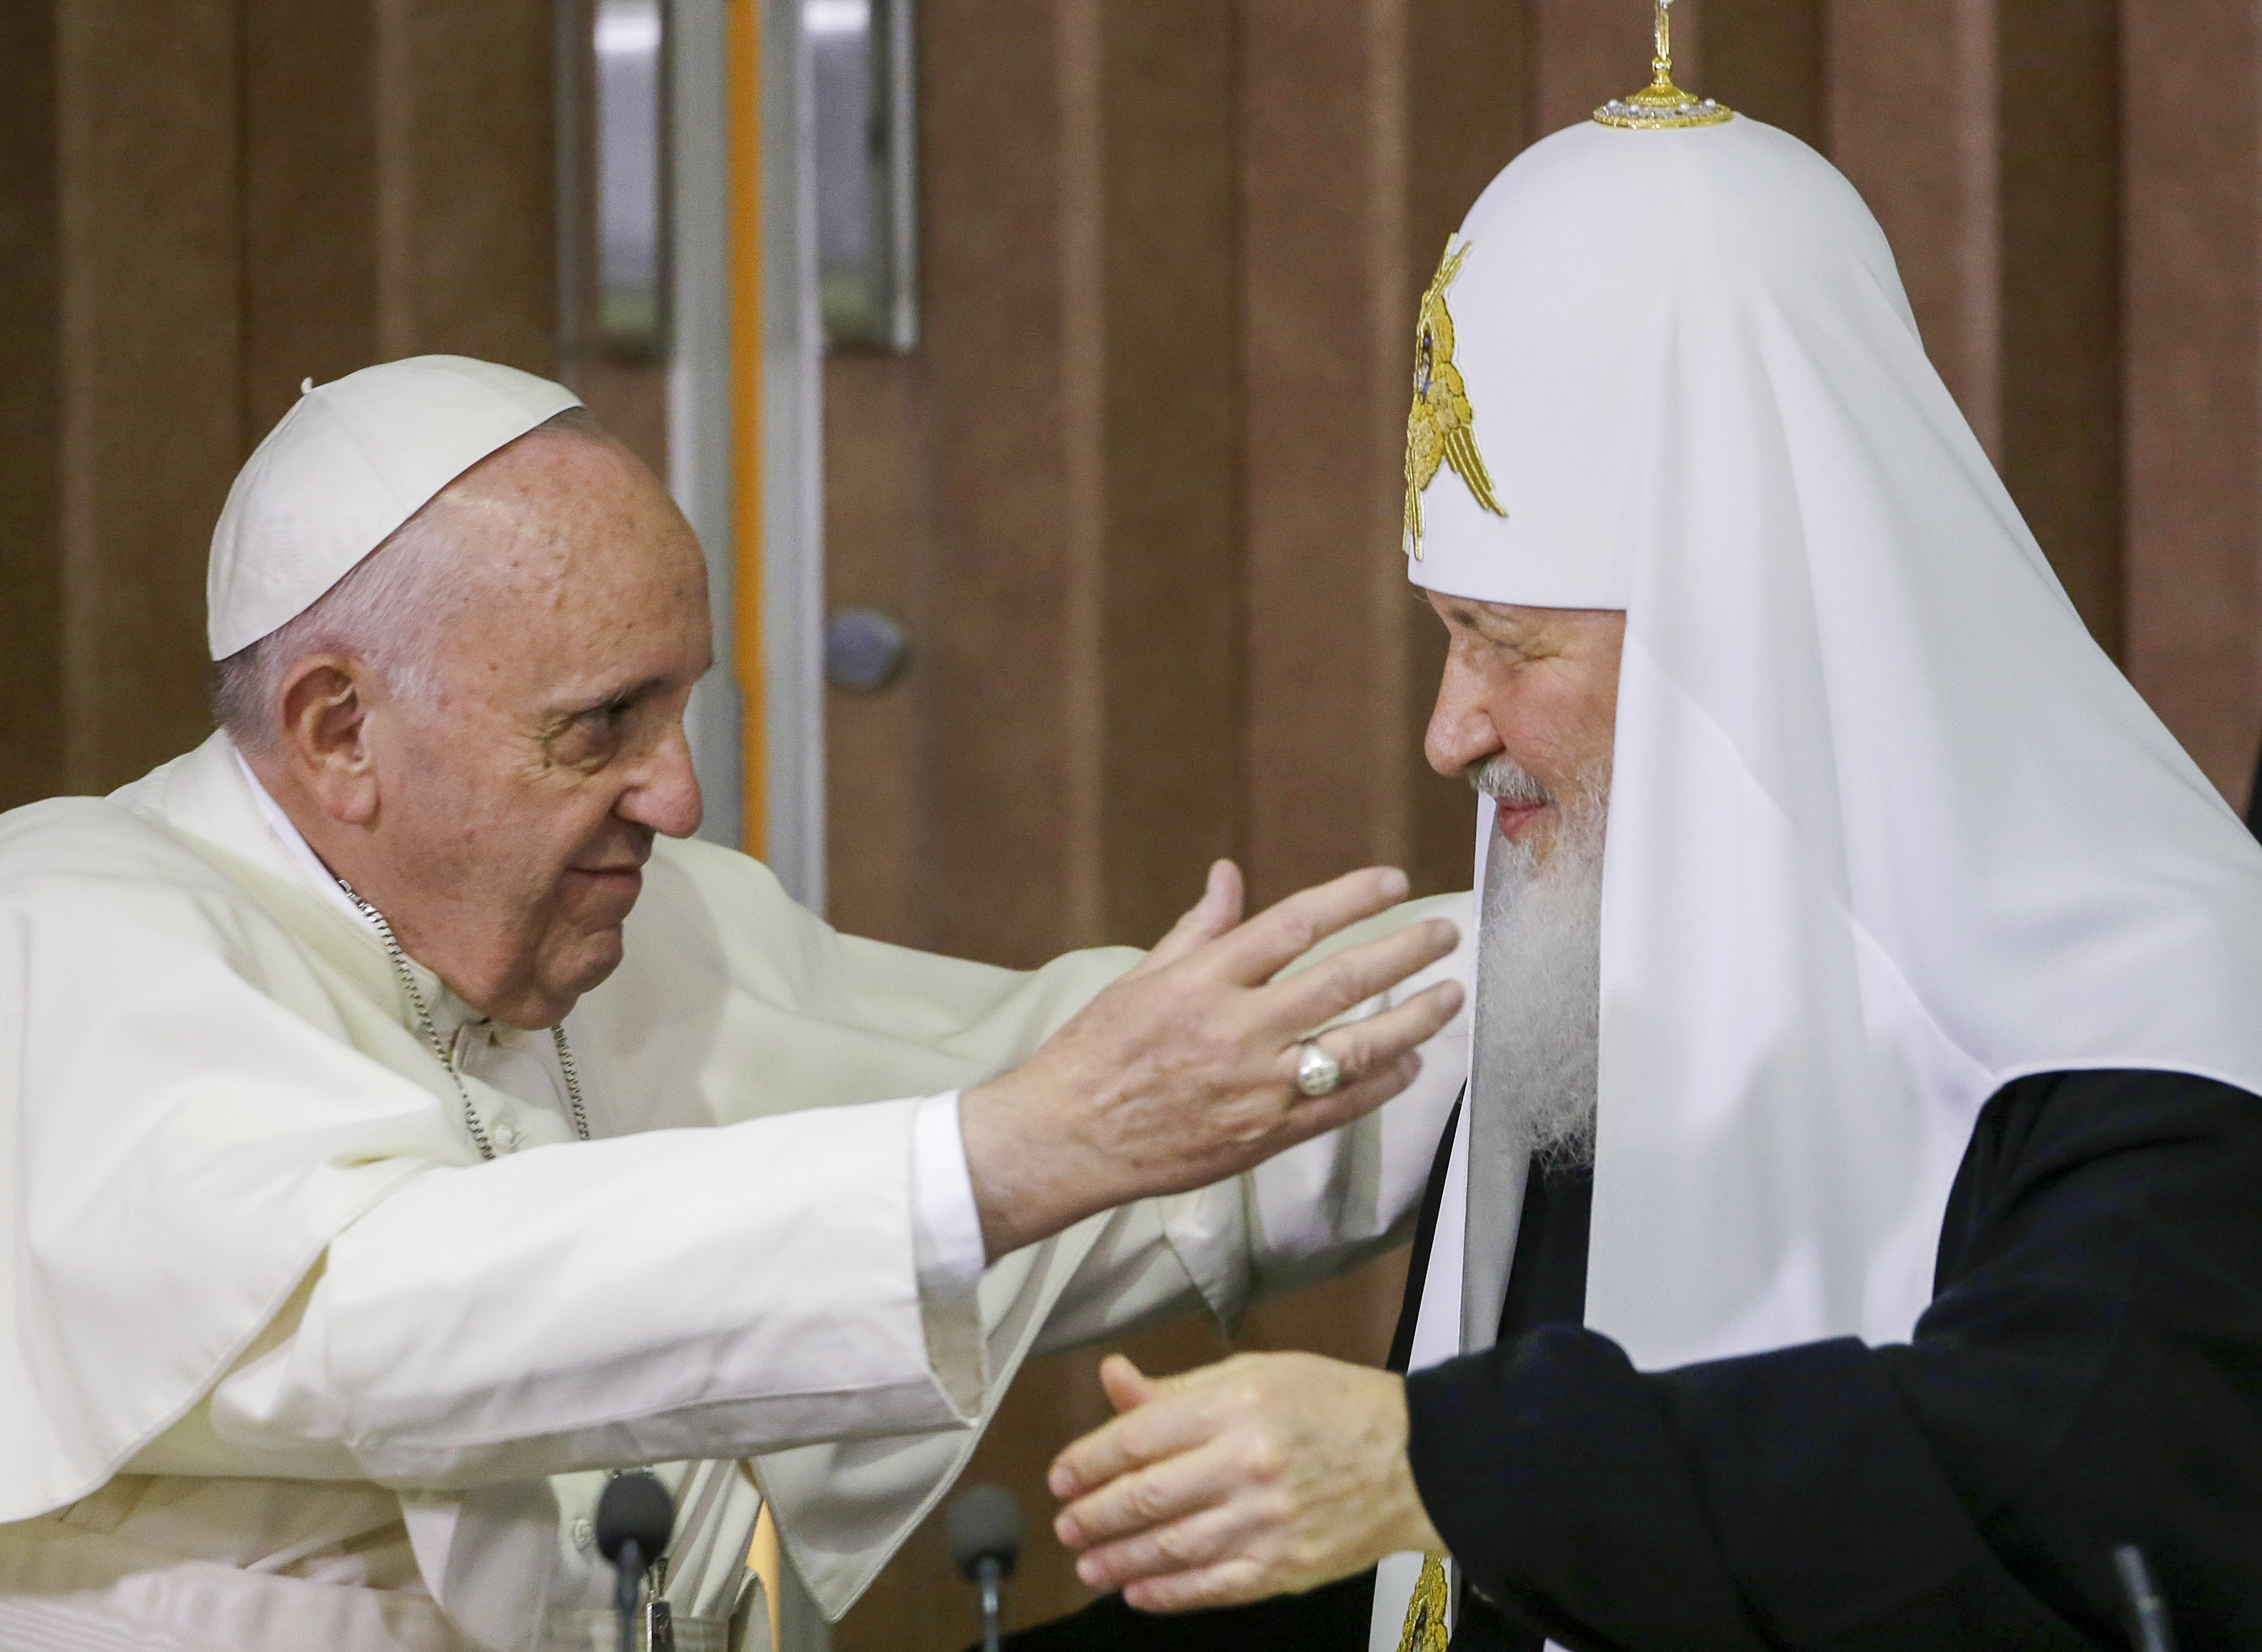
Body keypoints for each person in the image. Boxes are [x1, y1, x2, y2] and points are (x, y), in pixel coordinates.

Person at [1035, 71, 2262, 1652]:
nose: (1447, 733)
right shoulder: (1601, 979)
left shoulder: (2159, 1018)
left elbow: (2045, 1496)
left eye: (1503, 644)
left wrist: (1451, 1461)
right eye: (1444, 635)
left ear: (1735, 642)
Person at [0, 355, 1474, 1652]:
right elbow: (384, 1314)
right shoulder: (75, 920)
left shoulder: (652, 926)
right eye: (602, 726)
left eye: (683, 706)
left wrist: (1559, 964)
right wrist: (1016, 1151)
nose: (682, 797)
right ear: (340, 730)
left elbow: (1082, 1111)